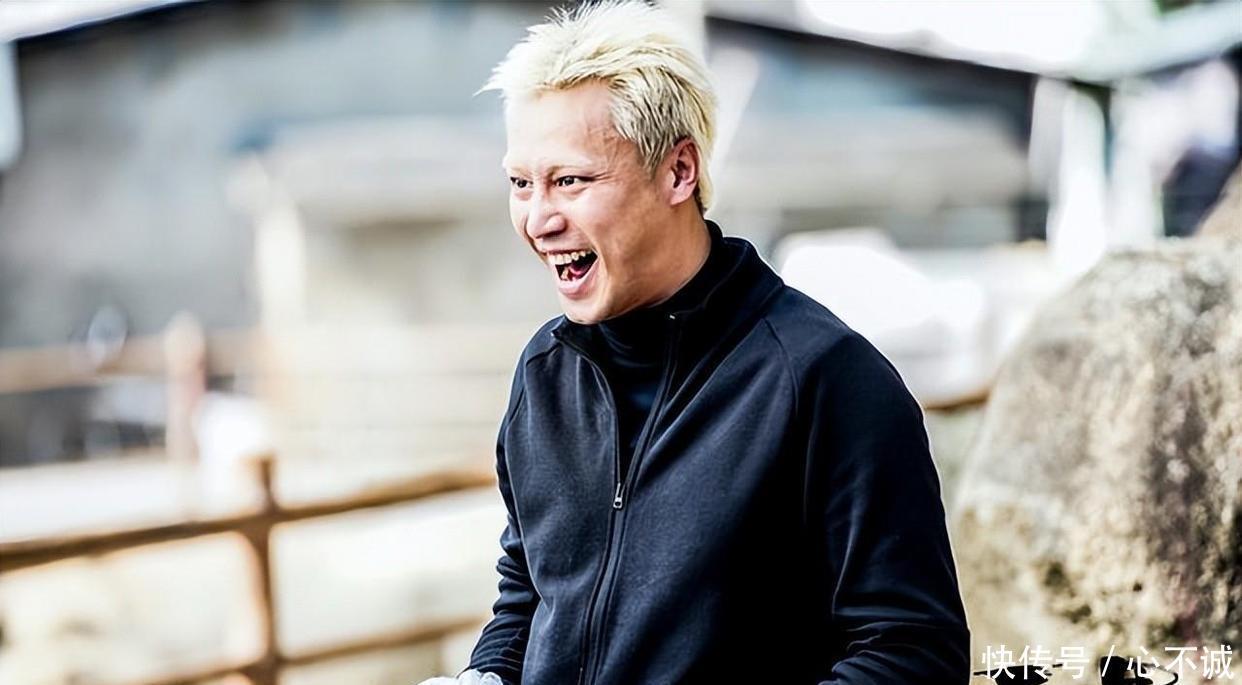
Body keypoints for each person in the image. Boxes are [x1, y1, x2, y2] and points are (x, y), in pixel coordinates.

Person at [420, 2, 969, 683]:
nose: (538, 219)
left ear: (679, 171)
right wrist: (488, 676)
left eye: (570, 181)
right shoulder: (545, 372)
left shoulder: (825, 378)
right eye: (520, 184)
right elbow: (529, 593)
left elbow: (914, 651)